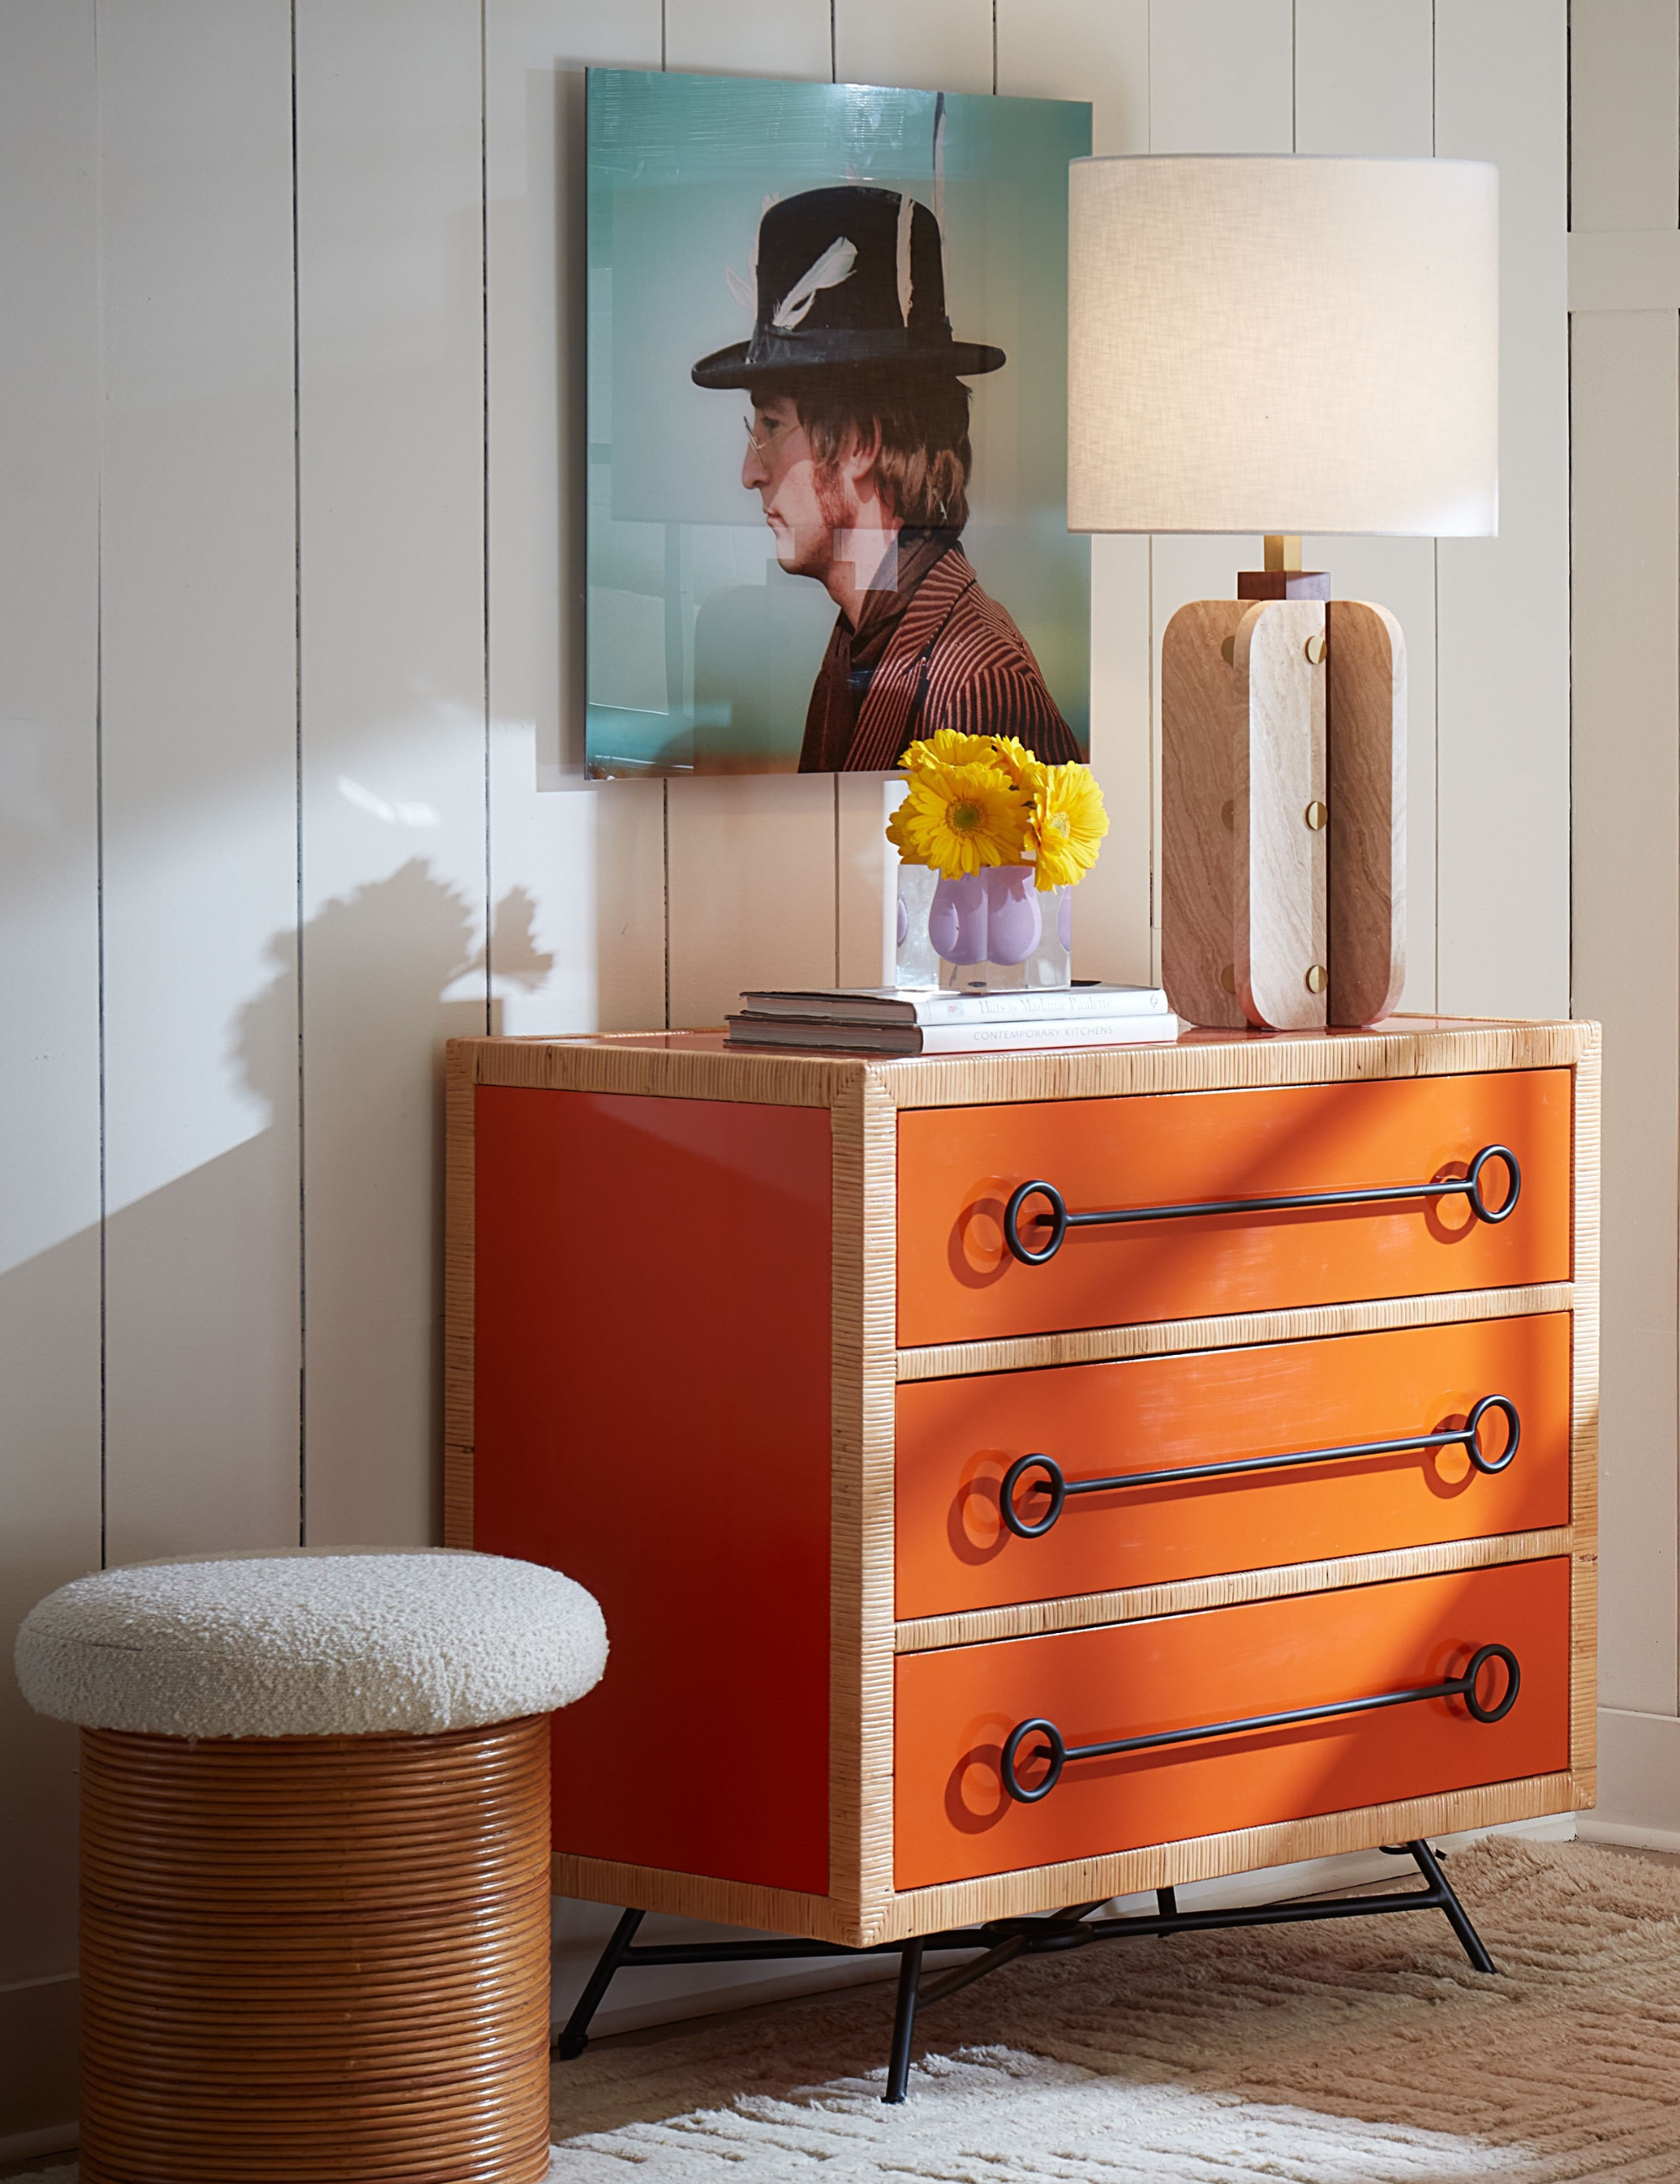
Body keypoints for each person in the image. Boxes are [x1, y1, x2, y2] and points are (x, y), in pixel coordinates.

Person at [691, 186, 1081, 773]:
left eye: (771, 424)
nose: (750, 472)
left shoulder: (976, 684)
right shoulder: (860, 634)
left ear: (858, 444)